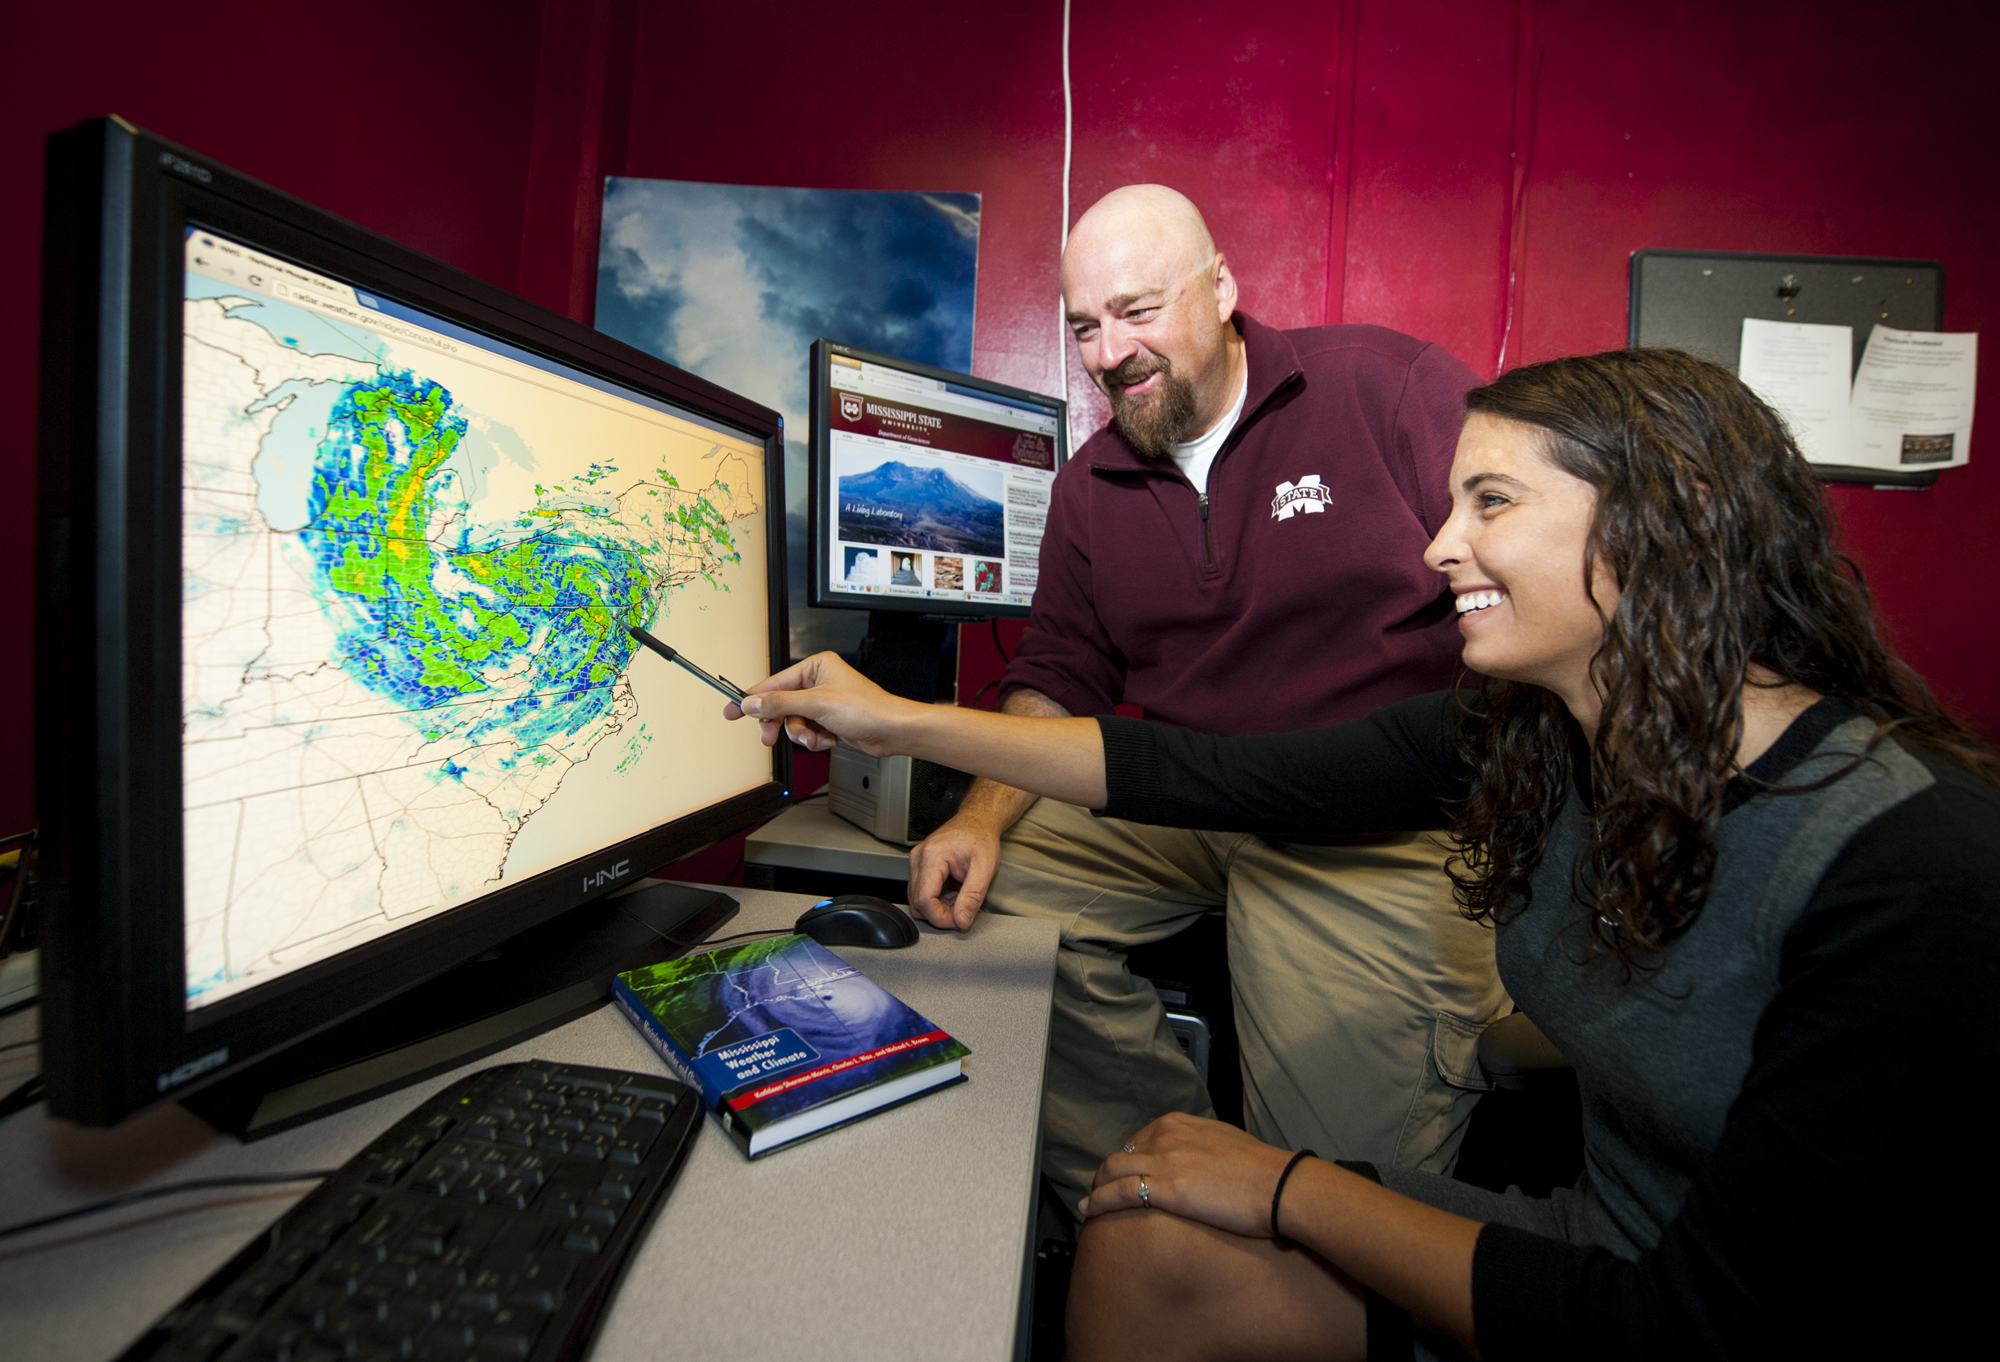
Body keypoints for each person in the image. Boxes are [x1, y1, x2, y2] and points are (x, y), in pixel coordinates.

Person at [731, 348, 2000, 1357]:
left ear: (1678, 521)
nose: (1437, 545)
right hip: (1595, 1242)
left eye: (1488, 503)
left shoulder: (1913, 867)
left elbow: (1695, 1324)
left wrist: (1286, 1183)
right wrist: (894, 719)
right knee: (1140, 1226)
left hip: (1679, 1317)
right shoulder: (1538, 734)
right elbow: (1203, 771)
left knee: (1211, 1199)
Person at [905, 183, 1507, 1211]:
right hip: (1188, 798)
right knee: (973, 916)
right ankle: (1164, 1181)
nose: (1108, 353)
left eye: (1138, 312)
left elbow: (1528, 578)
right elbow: (1056, 673)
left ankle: (1270, 1235)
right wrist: (976, 814)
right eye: (1084, 327)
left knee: (1334, 1197)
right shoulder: (1088, 486)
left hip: (1381, 820)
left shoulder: (1386, 390)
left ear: (1221, 288)